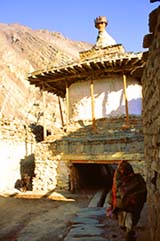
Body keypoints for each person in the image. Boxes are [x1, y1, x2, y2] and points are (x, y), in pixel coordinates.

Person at [106, 160, 147, 241]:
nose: (122, 171)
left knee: (130, 221)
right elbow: (116, 191)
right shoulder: (118, 179)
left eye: (124, 169)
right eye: (121, 169)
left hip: (131, 206)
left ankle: (129, 233)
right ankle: (128, 232)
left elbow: (141, 191)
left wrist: (134, 198)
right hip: (122, 205)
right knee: (124, 221)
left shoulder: (136, 179)